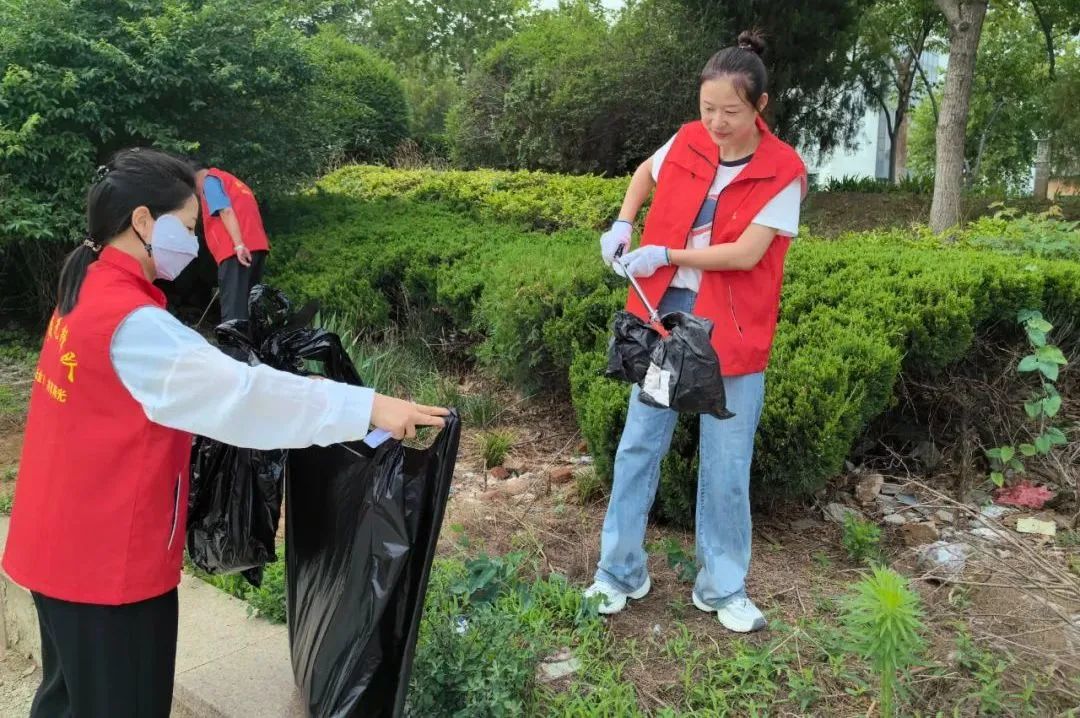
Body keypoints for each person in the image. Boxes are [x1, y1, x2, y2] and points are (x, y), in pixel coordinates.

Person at [1, 148, 448, 717]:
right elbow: (245, 397)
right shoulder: (135, 326)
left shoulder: (86, 287)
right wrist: (368, 407)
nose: (192, 244)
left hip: (59, 546)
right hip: (106, 566)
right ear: (143, 222)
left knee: (68, 701)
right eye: (187, 228)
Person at [585, 31, 807, 633]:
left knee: (727, 461)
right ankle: (619, 572)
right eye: (707, 108)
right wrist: (624, 223)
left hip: (728, 335)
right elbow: (644, 172)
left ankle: (723, 585)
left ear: (760, 107)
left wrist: (667, 252)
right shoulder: (687, 138)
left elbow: (744, 254)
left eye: (730, 112)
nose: (715, 122)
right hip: (667, 325)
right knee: (639, 444)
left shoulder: (783, 171)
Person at [190, 160, 270, 326]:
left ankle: (233, 351)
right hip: (257, 248)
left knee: (233, 314)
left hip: (238, 251)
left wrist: (239, 245)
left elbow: (225, 210)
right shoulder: (231, 181)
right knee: (248, 308)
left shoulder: (209, 181)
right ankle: (250, 350)